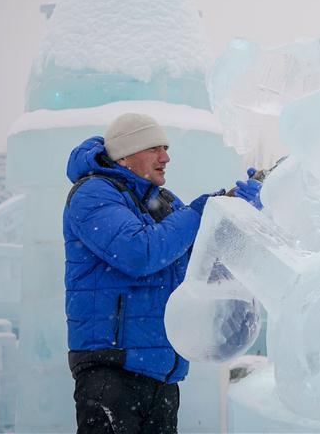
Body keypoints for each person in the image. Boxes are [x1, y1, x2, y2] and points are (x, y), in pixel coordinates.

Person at [62, 113, 262, 433]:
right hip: (112, 370)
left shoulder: (162, 202)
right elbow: (140, 253)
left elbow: (204, 265)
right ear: (126, 154)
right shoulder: (93, 194)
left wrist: (237, 216)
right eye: (155, 148)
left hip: (161, 376)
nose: (166, 157)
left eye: (166, 148)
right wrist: (200, 212)